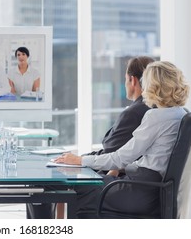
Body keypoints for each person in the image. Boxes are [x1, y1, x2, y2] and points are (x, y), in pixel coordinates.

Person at [54, 61, 189, 218]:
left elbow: (121, 157)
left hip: (138, 192)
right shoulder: (181, 113)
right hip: (152, 190)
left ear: (154, 86)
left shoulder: (156, 116)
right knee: (90, 182)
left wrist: (80, 160)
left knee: (83, 185)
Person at [26, 55, 155, 219]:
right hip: (135, 182)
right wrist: (78, 159)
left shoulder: (135, 112)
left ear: (133, 80)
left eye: (125, 79)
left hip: (125, 184)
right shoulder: (156, 110)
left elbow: (111, 154)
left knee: (43, 182)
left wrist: (78, 160)